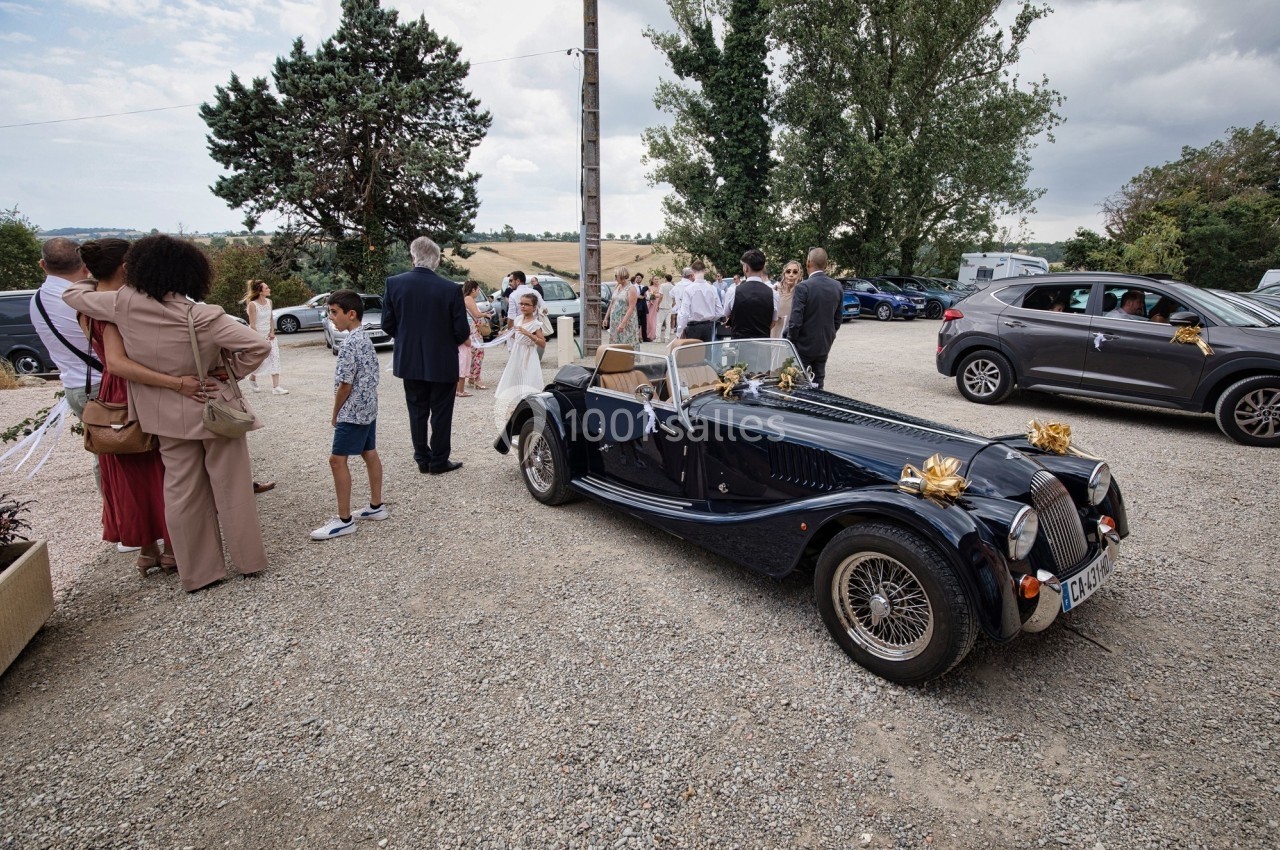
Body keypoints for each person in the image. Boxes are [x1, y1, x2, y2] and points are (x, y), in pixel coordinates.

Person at [63, 234, 271, 592]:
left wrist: (97, 270)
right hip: (214, 409)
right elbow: (257, 346)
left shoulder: (121, 305)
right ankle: (248, 562)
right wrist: (228, 373)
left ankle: (200, 573)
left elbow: (72, 294)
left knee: (181, 492)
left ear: (139, 269)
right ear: (190, 273)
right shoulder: (204, 316)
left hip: (162, 415)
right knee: (232, 487)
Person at [73, 239, 176, 575]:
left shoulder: (85, 303)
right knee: (160, 469)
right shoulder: (112, 308)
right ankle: (173, 547)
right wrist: (174, 381)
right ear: (125, 266)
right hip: (131, 392)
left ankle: (147, 549)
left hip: (109, 393)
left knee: (130, 476)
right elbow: (117, 362)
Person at [382, 236, 470, 475]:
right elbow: (461, 331)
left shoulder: (394, 284)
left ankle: (422, 457)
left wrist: (408, 337)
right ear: (437, 260)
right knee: (441, 413)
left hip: (409, 359)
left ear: (413, 257)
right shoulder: (451, 289)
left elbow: (387, 325)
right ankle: (439, 460)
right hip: (442, 361)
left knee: (417, 410)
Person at [311, 290, 387, 541]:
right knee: (369, 453)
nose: (330, 317)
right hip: (368, 407)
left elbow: (345, 384)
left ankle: (344, 520)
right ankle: (376, 506)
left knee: (336, 460)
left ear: (351, 314)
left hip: (353, 410)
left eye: (334, 312)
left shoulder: (348, 344)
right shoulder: (364, 338)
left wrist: (335, 413)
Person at [30, 237, 98, 419]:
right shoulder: (86, 300)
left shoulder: (36, 300)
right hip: (101, 385)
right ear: (85, 266)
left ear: (42, 264)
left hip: (72, 386)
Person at [786, 247, 844, 389]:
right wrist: (829, 336)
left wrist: (790, 342)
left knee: (796, 383)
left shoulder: (803, 287)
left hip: (802, 346)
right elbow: (837, 319)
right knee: (818, 381)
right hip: (824, 344)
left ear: (808, 263)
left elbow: (795, 321)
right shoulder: (837, 286)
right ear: (826, 264)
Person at [494, 293, 547, 422]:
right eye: (521, 304)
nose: (523, 306)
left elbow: (542, 343)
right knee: (516, 379)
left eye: (526, 304)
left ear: (534, 307)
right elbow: (517, 337)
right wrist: (506, 334)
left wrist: (529, 334)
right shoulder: (518, 319)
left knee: (528, 380)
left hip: (528, 355)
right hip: (516, 354)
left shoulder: (536, 324)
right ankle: (519, 408)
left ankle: (530, 409)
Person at [243, 279, 288, 394]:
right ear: (260, 291)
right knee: (261, 360)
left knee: (274, 357)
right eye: (266, 288)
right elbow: (252, 324)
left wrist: (272, 331)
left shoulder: (269, 302)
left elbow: (270, 318)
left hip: (270, 335)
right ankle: (252, 377)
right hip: (257, 336)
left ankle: (276, 387)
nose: (269, 289)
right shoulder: (253, 305)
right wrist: (259, 338)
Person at [723, 248, 779, 340]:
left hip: (739, 346)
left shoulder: (733, 291)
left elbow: (727, 314)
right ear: (763, 267)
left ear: (746, 268)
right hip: (762, 346)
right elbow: (772, 323)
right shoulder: (773, 294)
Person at [675, 260, 722, 342]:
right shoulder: (712, 289)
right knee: (707, 354)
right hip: (708, 326)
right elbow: (720, 311)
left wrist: (680, 330)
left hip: (693, 327)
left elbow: (684, 313)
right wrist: (710, 317)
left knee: (694, 354)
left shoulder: (688, 289)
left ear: (692, 272)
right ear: (705, 271)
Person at [461, 280, 488, 390]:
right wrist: (486, 314)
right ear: (473, 289)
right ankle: (475, 379)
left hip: (470, 329)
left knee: (473, 353)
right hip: (473, 330)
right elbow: (476, 314)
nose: (477, 292)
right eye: (477, 289)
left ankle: (472, 377)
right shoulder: (469, 299)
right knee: (478, 353)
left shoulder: (464, 299)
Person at [604, 266, 640, 345]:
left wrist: (623, 323)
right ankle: (616, 357)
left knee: (626, 342)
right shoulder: (617, 286)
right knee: (615, 342)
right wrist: (606, 317)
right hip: (615, 321)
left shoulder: (631, 288)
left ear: (622, 276)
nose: (615, 278)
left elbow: (632, 307)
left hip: (626, 321)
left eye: (616, 276)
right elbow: (612, 302)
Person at [772, 260, 803, 338]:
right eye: (788, 272)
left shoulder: (801, 293)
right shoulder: (775, 290)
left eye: (795, 272)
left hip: (791, 335)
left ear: (799, 275)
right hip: (775, 332)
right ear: (784, 274)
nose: (791, 275)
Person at [633, 272, 651, 342]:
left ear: (642, 279)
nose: (638, 279)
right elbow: (632, 295)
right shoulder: (633, 287)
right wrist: (638, 297)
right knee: (637, 322)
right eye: (637, 277)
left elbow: (648, 297)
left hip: (643, 305)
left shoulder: (643, 287)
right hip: (636, 305)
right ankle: (636, 337)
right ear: (635, 278)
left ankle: (644, 337)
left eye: (639, 278)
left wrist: (646, 296)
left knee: (644, 322)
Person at [657, 274, 675, 343]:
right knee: (668, 323)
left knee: (659, 322)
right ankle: (666, 338)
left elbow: (661, 296)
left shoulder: (662, 285)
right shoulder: (673, 287)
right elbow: (673, 298)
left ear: (665, 278)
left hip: (662, 305)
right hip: (669, 306)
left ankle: (658, 338)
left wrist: (658, 304)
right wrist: (673, 304)